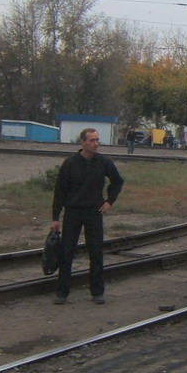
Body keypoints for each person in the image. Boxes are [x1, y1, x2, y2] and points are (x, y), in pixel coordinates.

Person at [51, 128, 124, 305]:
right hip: (73, 212)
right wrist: (55, 217)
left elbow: (117, 181)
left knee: (96, 252)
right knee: (66, 252)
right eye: (91, 140)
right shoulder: (70, 163)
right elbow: (60, 191)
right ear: (83, 143)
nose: (95, 143)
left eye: (97, 140)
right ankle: (62, 292)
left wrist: (109, 201)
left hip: (94, 212)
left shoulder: (103, 162)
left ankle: (97, 292)